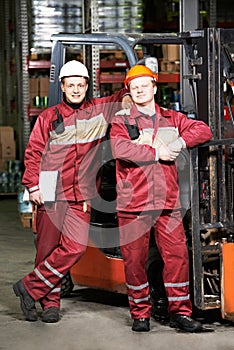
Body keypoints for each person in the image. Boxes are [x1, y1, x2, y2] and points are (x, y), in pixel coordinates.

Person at [13, 60, 132, 323]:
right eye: (71, 85)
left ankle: (29, 288)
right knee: (46, 249)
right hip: (51, 191)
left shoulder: (99, 112)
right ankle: (50, 303)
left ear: (87, 86)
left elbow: (121, 95)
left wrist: (126, 96)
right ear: (63, 87)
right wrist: (32, 185)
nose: (76, 90)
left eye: (81, 85)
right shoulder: (48, 117)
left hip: (82, 195)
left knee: (75, 248)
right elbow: (34, 153)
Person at [110, 64, 213, 333]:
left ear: (155, 87)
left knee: (177, 257)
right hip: (134, 204)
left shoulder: (172, 118)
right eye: (135, 86)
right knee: (134, 260)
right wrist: (156, 153)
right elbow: (120, 149)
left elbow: (203, 130)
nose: (140, 89)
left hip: (167, 202)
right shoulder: (122, 121)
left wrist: (176, 144)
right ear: (129, 92)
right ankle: (140, 314)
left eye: (145, 84)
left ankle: (180, 312)